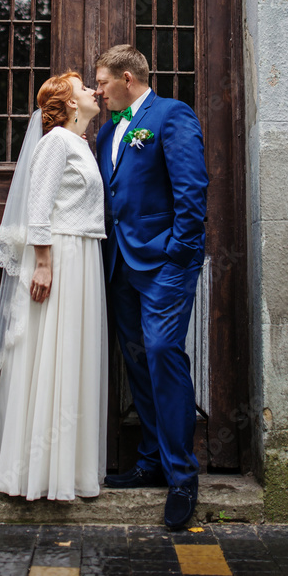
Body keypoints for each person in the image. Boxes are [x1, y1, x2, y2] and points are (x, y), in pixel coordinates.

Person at [95, 45, 208, 530]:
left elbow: (192, 187)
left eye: (102, 82)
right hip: (119, 263)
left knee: (163, 353)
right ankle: (149, 460)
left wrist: (179, 252)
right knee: (137, 361)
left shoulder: (171, 116)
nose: (97, 91)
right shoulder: (106, 132)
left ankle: (183, 475)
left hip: (164, 262)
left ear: (126, 77)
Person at [0, 72, 108, 501]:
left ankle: (67, 466)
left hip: (83, 255)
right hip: (61, 256)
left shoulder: (82, 144)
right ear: (72, 104)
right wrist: (42, 262)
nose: (95, 91)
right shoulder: (56, 141)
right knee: (52, 352)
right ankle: (35, 471)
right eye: (84, 88)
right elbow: (38, 204)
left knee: (72, 354)